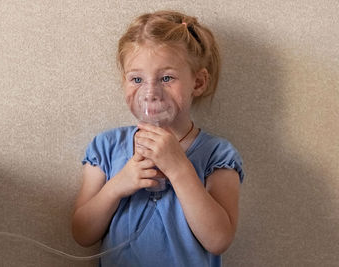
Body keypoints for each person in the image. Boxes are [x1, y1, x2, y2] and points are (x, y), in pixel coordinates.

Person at [71, 10, 244, 267]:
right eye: (137, 79)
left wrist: (179, 167)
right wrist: (118, 185)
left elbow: (219, 240)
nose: (150, 92)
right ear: (124, 82)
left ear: (198, 82)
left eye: (166, 78)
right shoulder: (106, 148)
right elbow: (82, 233)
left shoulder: (218, 155)